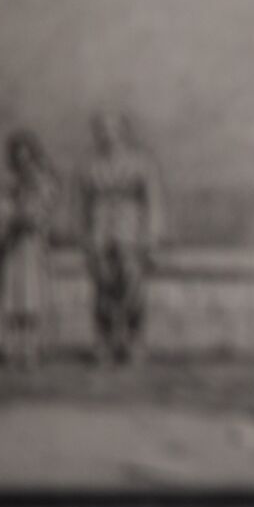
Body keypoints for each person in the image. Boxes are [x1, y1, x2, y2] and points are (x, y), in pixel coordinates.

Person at [80, 111, 163, 365]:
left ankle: (134, 342)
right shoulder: (89, 165)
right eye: (102, 130)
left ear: (124, 131)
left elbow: (153, 203)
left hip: (132, 233)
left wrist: (151, 238)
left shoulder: (142, 162)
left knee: (133, 291)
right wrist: (84, 239)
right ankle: (103, 343)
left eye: (112, 129)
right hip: (99, 232)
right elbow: (81, 206)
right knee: (103, 290)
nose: (107, 135)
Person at [0, 130, 60, 368]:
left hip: (33, 247)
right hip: (10, 249)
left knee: (32, 298)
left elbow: (45, 211)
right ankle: (10, 348)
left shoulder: (44, 180)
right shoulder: (4, 181)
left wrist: (29, 216)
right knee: (10, 299)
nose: (22, 161)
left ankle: (30, 348)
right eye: (18, 156)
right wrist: (11, 217)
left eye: (27, 156)